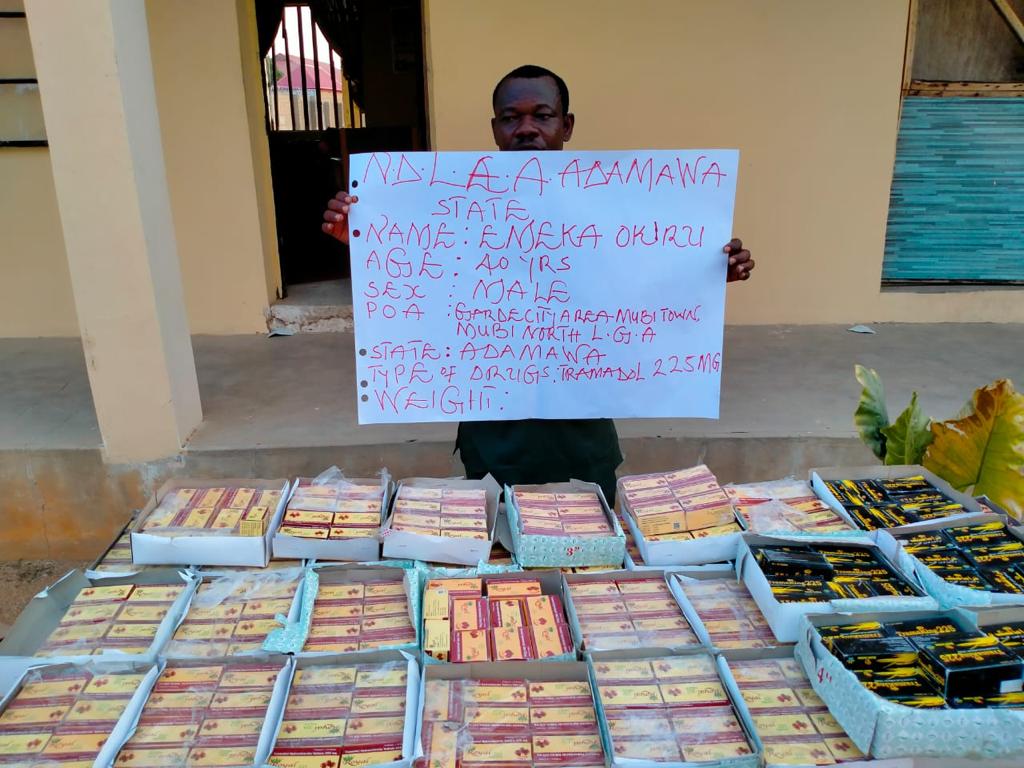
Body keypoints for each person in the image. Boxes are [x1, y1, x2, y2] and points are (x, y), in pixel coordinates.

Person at [323, 65, 755, 503]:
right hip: (493, 431)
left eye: (542, 115)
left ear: (566, 125)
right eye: (511, 117)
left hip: (582, 432)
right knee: (499, 537)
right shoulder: (455, 205)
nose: (526, 128)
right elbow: (420, 278)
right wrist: (363, 237)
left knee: (589, 535)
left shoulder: (613, 207)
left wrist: (706, 272)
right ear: (495, 128)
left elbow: (646, 281)